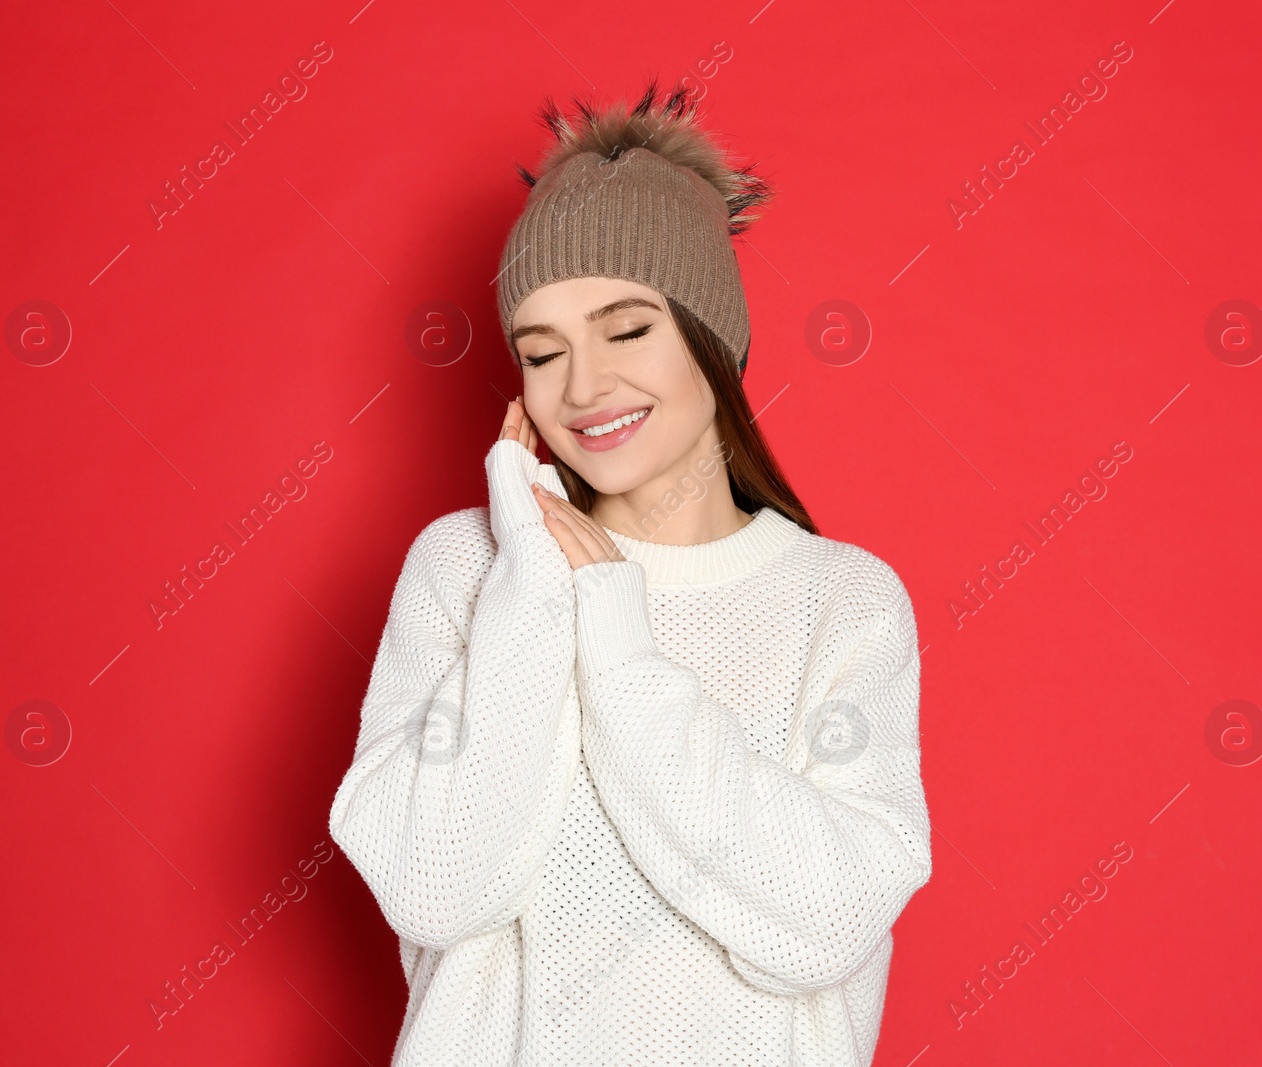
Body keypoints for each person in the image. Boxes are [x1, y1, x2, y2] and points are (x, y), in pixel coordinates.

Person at [328, 77, 932, 1067]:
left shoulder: (844, 601)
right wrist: (533, 585)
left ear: (711, 338)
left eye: (625, 329)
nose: (582, 387)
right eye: (540, 349)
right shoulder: (466, 567)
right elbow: (436, 885)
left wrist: (618, 644)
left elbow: (824, 922)